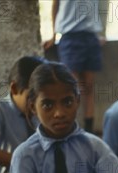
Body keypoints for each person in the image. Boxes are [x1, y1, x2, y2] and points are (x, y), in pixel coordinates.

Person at [43, 0, 105, 133]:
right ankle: (71, 128)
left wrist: (100, 33)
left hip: (91, 35)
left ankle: (89, 129)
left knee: (88, 87)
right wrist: (54, 36)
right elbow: (55, 5)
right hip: (70, 35)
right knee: (71, 88)